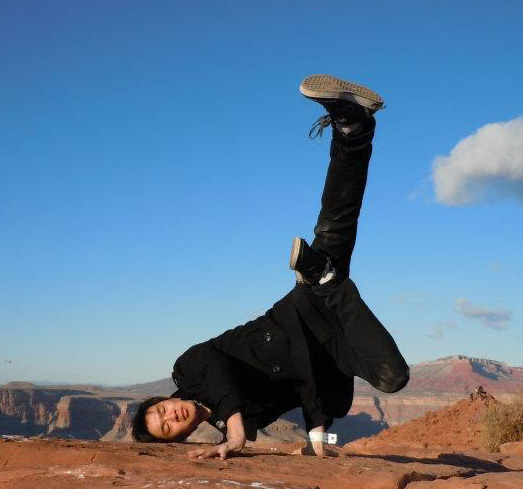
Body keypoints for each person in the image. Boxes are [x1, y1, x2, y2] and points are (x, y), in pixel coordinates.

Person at [131, 75, 409, 459]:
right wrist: (317, 435)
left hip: (302, 313)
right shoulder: (250, 420)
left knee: (337, 220)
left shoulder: (188, 369)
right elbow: (298, 386)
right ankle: (325, 277)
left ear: (163, 397)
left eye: (161, 410)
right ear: (180, 439)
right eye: (167, 428)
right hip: (331, 349)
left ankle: (353, 128)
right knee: (393, 378)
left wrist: (236, 432)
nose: (171, 415)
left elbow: (221, 376)